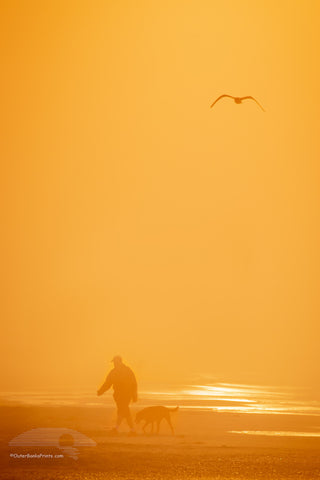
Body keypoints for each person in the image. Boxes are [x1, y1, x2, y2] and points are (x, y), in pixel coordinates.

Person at [97, 355, 137, 434]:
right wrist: (101, 391)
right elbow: (108, 383)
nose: (114, 364)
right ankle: (119, 428)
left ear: (120, 361)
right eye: (114, 362)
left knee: (124, 410)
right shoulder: (113, 372)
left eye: (115, 362)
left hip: (126, 394)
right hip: (117, 395)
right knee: (122, 411)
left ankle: (130, 429)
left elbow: (134, 383)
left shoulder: (127, 370)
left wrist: (134, 395)